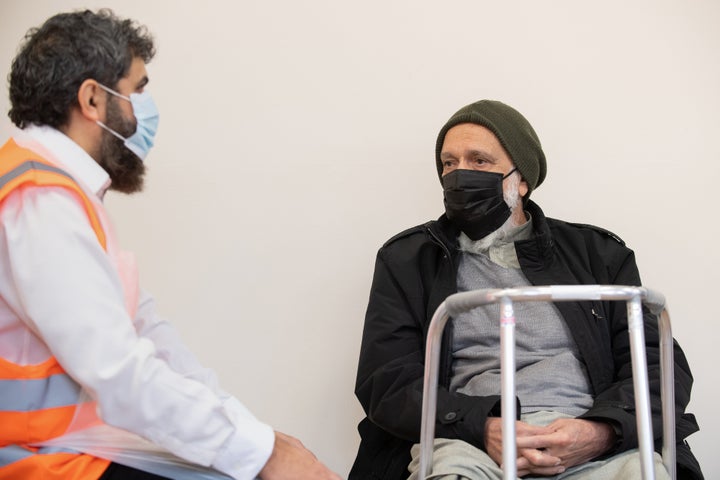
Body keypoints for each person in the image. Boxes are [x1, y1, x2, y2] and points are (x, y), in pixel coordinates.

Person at [0, 9, 340, 480]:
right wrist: (264, 454)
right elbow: (121, 372)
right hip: (41, 460)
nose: (143, 109)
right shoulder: (39, 199)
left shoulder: (64, 191)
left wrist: (254, 435)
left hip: (77, 446)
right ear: (93, 99)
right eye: (137, 89)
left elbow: (149, 336)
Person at [349, 99, 703, 480]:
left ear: (522, 180)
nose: (458, 175)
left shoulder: (597, 256)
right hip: (465, 440)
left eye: (479, 161)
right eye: (449, 163)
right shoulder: (410, 260)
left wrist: (601, 432)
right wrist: (481, 427)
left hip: (587, 436)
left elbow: (658, 367)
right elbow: (386, 380)